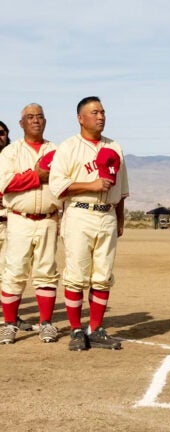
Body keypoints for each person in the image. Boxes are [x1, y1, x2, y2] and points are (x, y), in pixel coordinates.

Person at [49, 96, 129, 351]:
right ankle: (75, 330)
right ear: (80, 118)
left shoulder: (115, 146)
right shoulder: (68, 147)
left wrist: (119, 217)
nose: (101, 116)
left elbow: (122, 189)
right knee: (76, 276)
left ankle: (95, 329)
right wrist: (90, 185)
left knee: (103, 276)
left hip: (106, 214)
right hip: (80, 213)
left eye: (103, 112)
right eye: (94, 112)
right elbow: (57, 187)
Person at [0, 104, 62, 344]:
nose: (35, 121)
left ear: (45, 121)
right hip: (19, 218)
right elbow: (5, 183)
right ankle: (9, 324)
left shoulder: (57, 150)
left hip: (48, 218)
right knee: (14, 272)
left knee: (46, 272)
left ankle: (46, 323)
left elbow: (64, 184)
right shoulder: (10, 153)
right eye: (30, 117)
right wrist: (37, 176)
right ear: (21, 123)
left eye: (39, 117)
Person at [0, 120, 35, 333]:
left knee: (12, 273)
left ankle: (11, 317)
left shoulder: (15, 158)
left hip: (11, 222)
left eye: (2, 132)